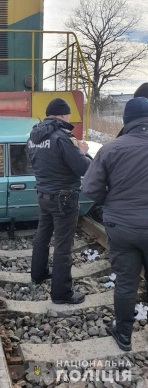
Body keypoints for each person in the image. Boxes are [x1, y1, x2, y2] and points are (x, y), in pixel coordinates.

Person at [82, 97, 148, 351]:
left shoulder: (111, 149)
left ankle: (123, 335)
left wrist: (111, 203)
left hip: (122, 227)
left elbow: (90, 188)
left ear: (126, 121)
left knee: (126, 283)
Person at [27, 97, 92, 304]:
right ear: (63, 115)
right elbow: (82, 168)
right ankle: (62, 293)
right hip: (64, 198)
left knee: (42, 236)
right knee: (63, 245)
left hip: (43, 194)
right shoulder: (63, 137)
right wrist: (83, 152)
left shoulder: (34, 135)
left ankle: (38, 274)